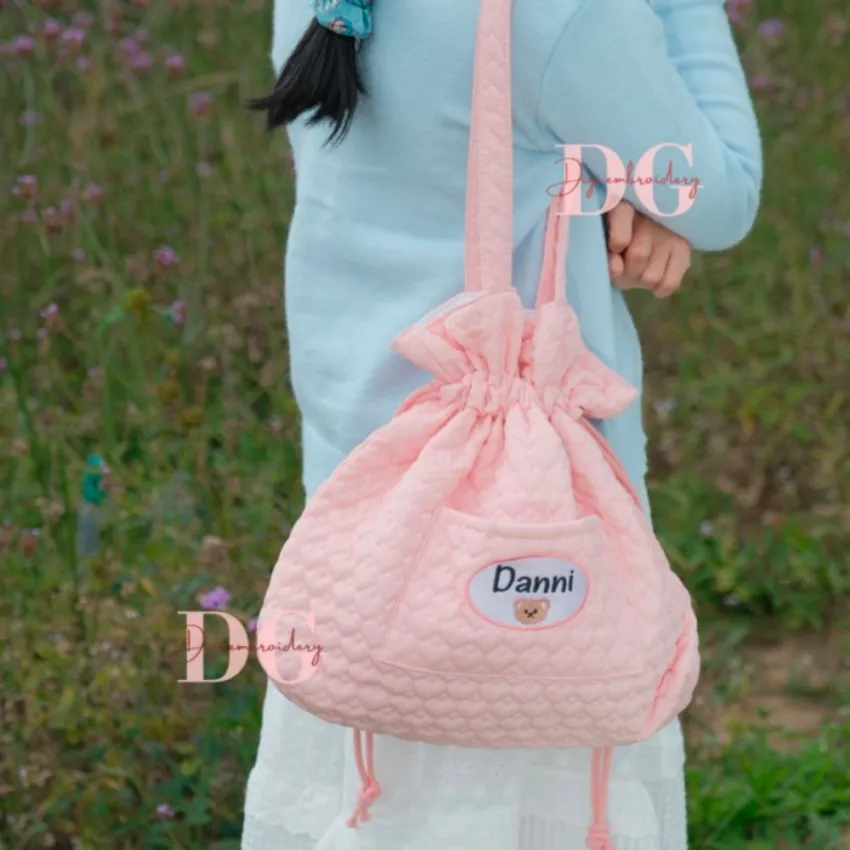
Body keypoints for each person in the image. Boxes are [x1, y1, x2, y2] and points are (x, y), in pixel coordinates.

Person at [241, 0, 762, 847]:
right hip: (528, 530)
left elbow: (435, 154)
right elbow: (726, 192)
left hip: (353, 528)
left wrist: (591, 182)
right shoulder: (569, 17)